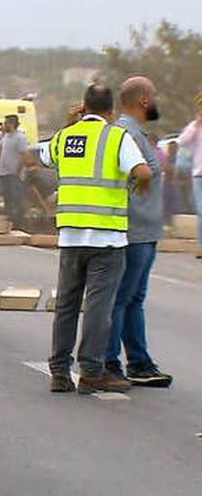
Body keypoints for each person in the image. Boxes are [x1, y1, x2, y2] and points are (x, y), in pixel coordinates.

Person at [43, 84, 152, 394]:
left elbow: (46, 157)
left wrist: (70, 124)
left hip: (71, 236)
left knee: (66, 305)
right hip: (106, 239)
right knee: (97, 307)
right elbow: (143, 171)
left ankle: (60, 373)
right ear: (111, 111)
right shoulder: (118, 137)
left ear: (83, 107)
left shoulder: (65, 136)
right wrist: (137, 186)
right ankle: (91, 371)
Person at [100, 77, 173, 386]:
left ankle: (139, 362)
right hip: (134, 231)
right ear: (144, 100)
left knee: (132, 298)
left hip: (145, 229)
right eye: (153, 95)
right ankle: (111, 363)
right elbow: (131, 179)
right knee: (122, 298)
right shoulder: (127, 133)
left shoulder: (135, 132)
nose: (156, 101)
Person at [177, 92, 202, 252]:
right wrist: (196, 124)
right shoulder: (196, 126)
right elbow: (182, 141)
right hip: (199, 173)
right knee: (201, 210)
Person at [0, 115, 30, 226]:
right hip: (3, 172)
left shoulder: (20, 137)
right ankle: (9, 219)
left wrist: (18, 170)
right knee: (7, 197)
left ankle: (19, 221)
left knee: (16, 196)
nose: (4, 125)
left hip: (14, 173)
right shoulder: (6, 137)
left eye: (6, 123)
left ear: (12, 124)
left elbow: (24, 155)